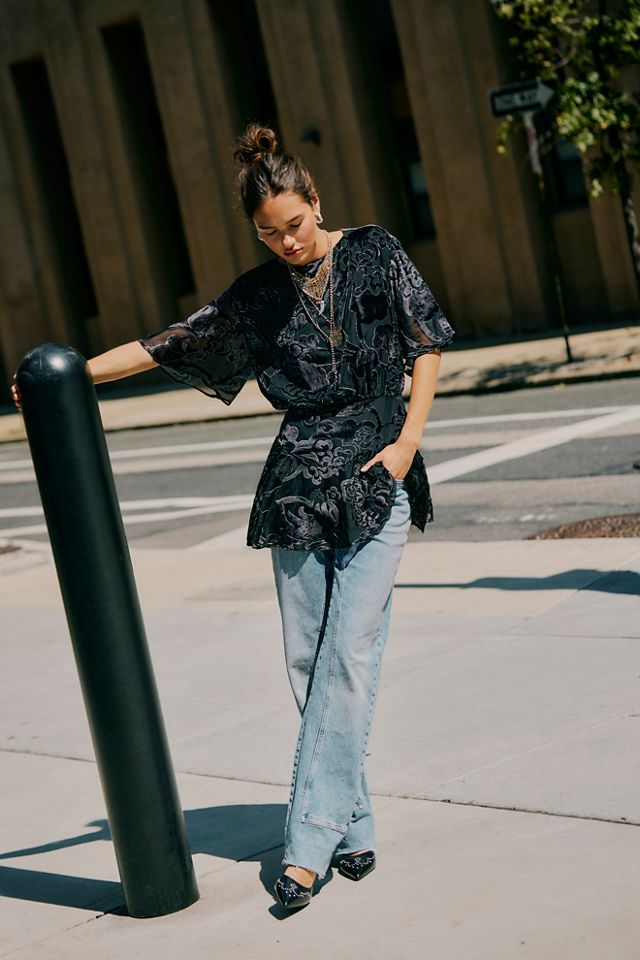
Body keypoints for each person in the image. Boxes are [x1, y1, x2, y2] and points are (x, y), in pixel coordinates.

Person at [12, 123, 454, 910]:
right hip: (297, 487)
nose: (288, 242)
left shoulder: (377, 251)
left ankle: (307, 847)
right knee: (307, 661)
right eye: (270, 233)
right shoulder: (258, 296)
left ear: (316, 202)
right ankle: (352, 825)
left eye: (296, 224)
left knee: (349, 654)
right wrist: (71, 375)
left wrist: (408, 442)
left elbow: (426, 342)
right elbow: (170, 343)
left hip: (378, 472)